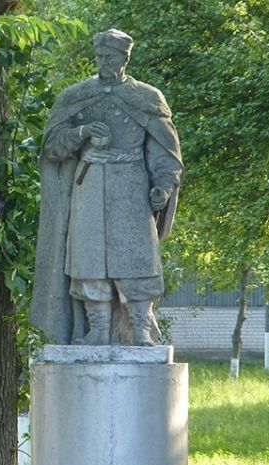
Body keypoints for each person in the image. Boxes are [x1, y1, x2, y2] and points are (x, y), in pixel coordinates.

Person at [30, 29, 183, 346]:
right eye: (99, 56)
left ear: (125, 58)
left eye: (110, 57)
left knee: (136, 258)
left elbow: (166, 154)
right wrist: (81, 132)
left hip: (131, 185)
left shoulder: (147, 98)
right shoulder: (77, 96)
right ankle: (97, 329)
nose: (103, 62)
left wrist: (163, 188)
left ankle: (140, 328)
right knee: (88, 260)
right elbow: (52, 149)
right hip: (89, 183)